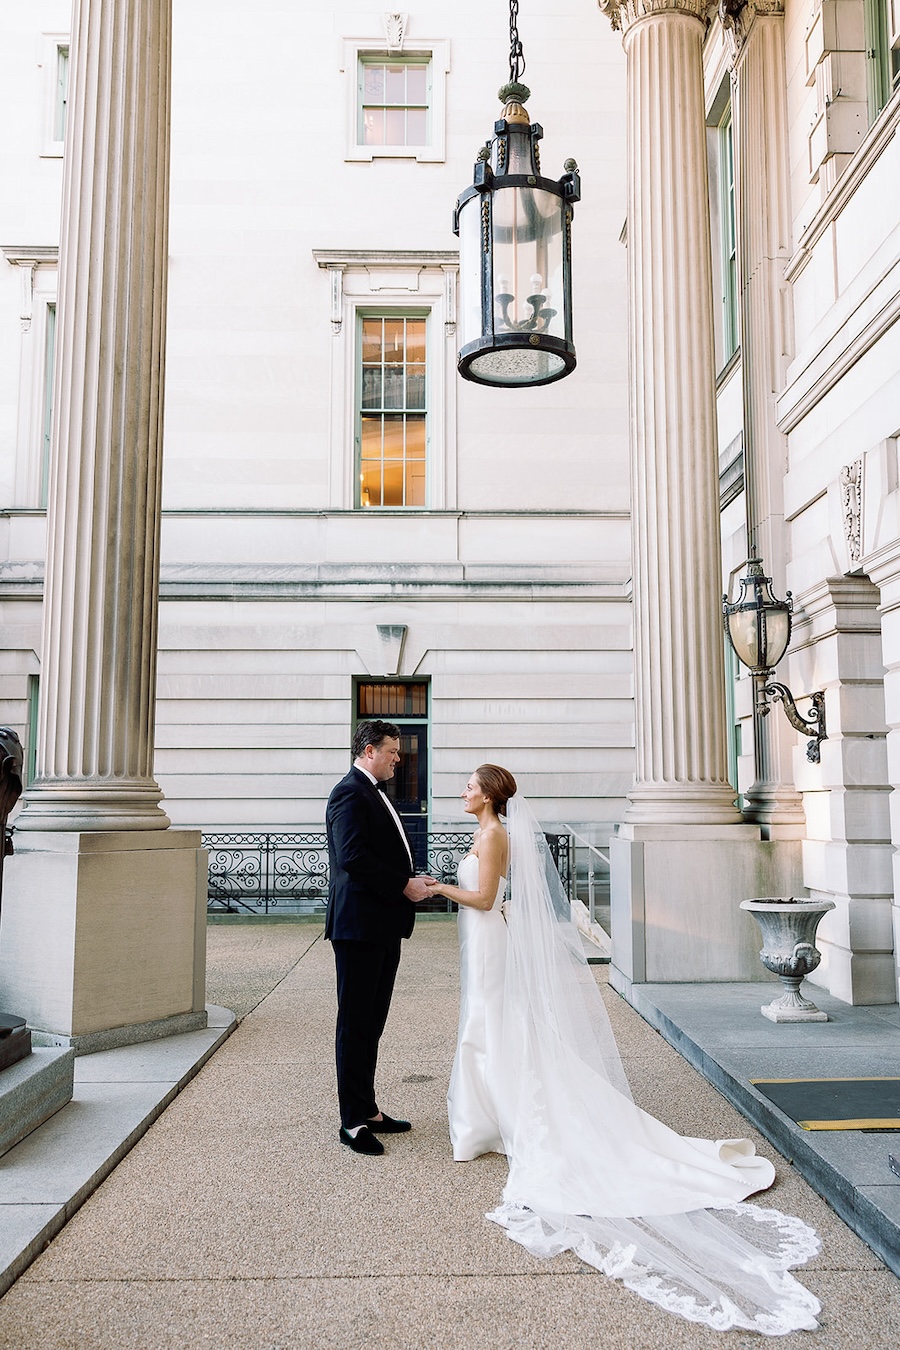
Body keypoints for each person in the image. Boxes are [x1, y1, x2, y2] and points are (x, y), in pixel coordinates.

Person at [426, 766, 822, 1336]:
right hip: (482, 941)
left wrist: (438, 887)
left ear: (488, 796)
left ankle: (491, 1123)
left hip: (486, 938)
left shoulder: (493, 836)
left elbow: (485, 898)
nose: (462, 793)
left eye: (469, 787)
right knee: (489, 1025)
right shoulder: (490, 833)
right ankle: (489, 1118)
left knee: (487, 1025)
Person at [325, 719, 433, 1157]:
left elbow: (376, 853)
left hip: (382, 926)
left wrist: (410, 877)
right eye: (392, 750)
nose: (397, 758)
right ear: (369, 750)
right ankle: (351, 1122)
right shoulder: (348, 792)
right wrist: (402, 885)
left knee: (372, 1023)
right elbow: (351, 857)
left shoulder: (372, 792)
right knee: (355, 1024)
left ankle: (368, 1109)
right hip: (358, 927)